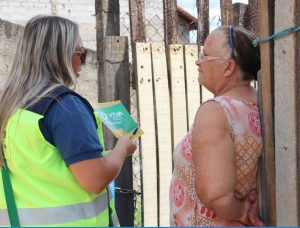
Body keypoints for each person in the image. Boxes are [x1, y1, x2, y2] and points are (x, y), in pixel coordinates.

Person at [0, 15, 136, 226]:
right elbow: (94, 179)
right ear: (60, 56)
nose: (83, 61)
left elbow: (43, 166)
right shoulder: (65, 107)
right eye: (81, 53)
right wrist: (122, 149)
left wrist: (103, 157)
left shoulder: (10, 106)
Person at [169, 25, 264, 226]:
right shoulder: (260, 105)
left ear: (229, 67)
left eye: (205, 56)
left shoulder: (215, 112)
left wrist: (241, 212)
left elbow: (214, 194)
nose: (198, 61)